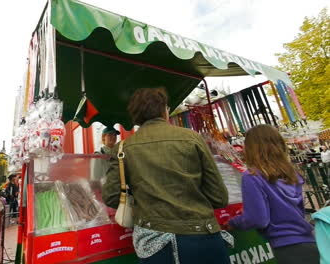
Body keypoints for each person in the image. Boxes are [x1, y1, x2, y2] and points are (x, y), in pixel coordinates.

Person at [102, 87, 230, 264]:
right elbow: (219, 197)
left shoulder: (123, 148)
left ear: (136, 116)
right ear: (165, 111)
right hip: (204, 237)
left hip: (156, 243)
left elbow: (111, 196)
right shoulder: (192, 138)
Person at [227, 124, 319, 264]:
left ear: (252, 147)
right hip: (308, 240)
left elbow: (258, 219)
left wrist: (234, 222)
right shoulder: (291, 174)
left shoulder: (252, 176)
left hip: (287, 247)